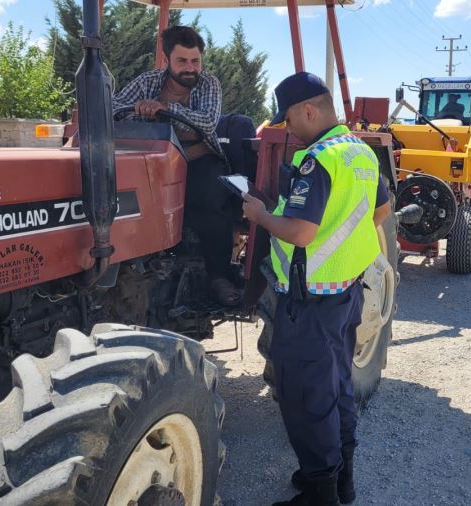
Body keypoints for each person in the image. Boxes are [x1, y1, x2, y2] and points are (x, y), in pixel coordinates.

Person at [242, 72, 392, 506]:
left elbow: (301, 233)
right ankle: (341, 481)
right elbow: (379, 212)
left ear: (308, 111)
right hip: (346, 294)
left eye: (288, 120)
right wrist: (340, 246)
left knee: (306, 396)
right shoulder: (359, 152)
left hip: (310, 303)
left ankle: (320, 491)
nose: (287, 130)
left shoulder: (318, 159)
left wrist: (259, 214)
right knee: (338, 385)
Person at [112, 26, 240, 306]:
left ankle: (219, 276)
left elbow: (206, 123)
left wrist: (163, 110)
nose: (190, 68)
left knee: (208, 199)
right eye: (182, 61)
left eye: (195, 61)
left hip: (198, 160)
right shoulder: (147, 82)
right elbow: (113, 108)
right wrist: (134, 110)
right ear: (167, 59)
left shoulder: (209, 84)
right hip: (153, 162)